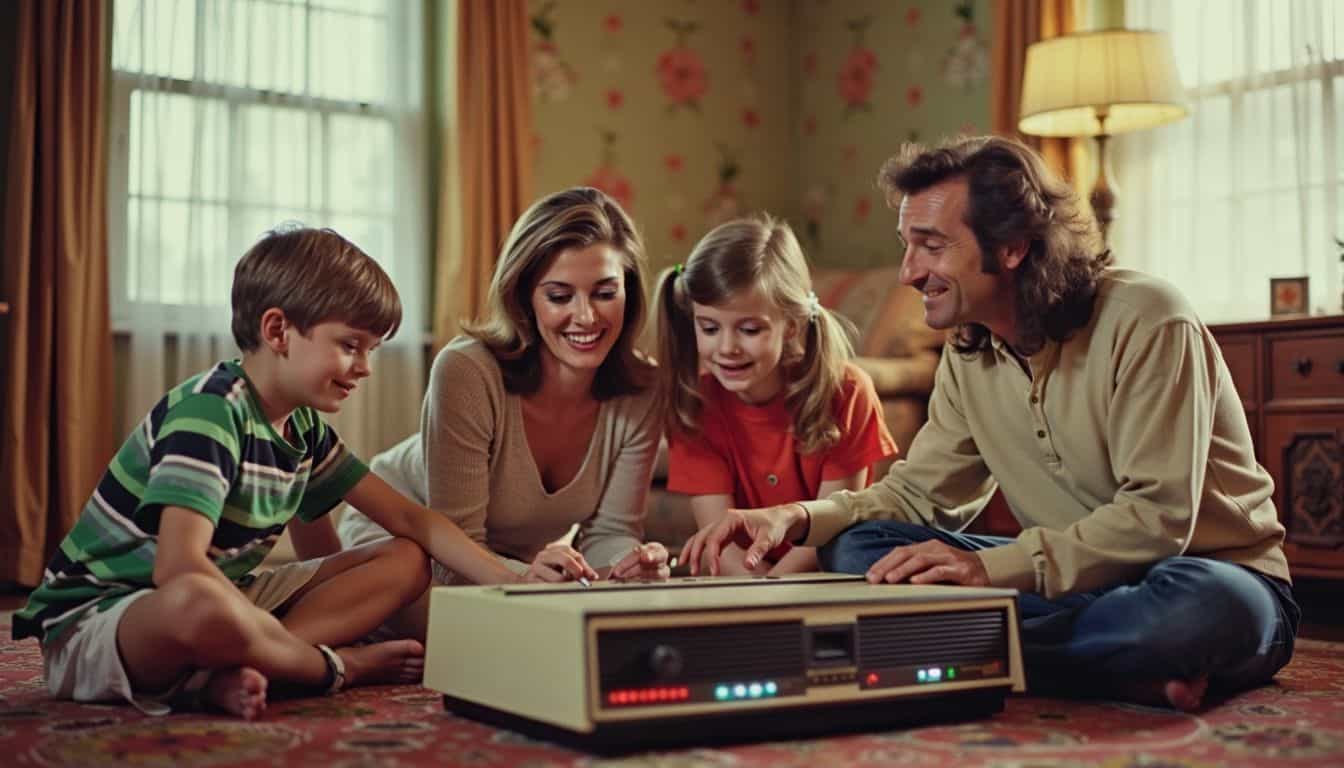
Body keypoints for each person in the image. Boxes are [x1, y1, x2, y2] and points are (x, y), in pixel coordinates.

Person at [680, 136, 1299, 712]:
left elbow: (1160, 520)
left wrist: (987, 572)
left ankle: (990, 650)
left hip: (1209, 571)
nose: (908, 272)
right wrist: (799, 517)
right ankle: (1115, 663)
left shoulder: (1148, 321)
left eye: (931, 244)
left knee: (1181, 617)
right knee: (855, 549)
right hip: (1065, 584)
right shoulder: (968, 349)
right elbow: (918, 496)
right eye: (907, 245)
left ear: (1012, 246)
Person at [10, 225, 553, 721]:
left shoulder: (304, 431)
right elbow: (177, 570)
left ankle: (242, 670)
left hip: (228, 600)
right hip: (104, 619)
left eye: (372, 350)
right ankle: (325, 667)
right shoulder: (211, 411)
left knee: (407, 557)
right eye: (350, 345)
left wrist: (513, 580)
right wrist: (327, 646)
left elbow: (411, 521)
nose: (364, 367)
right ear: (278, 330)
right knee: (201, 606)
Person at [338, 187, 670, 641]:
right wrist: (534, 582)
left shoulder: (643, 389)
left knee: (606, 631)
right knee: (518, 638)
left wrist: (629, 570)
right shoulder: (467, 371)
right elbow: (456, 556)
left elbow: (612, 530)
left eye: (604, 293)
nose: (586, 316)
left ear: (628, 294)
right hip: (409, 552)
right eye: (559, 296)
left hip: (512, 572)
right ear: (525, 301)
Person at [654, 215, 897, 576]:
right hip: (746, 581)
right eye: (709, 327)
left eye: (749, 329)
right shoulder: (695, 405)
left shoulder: (846, 392)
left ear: (792, 326)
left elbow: (830, 528)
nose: (727, 348)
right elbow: (721, 541)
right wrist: (760, 592)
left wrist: (776, 588)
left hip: (828, 567)